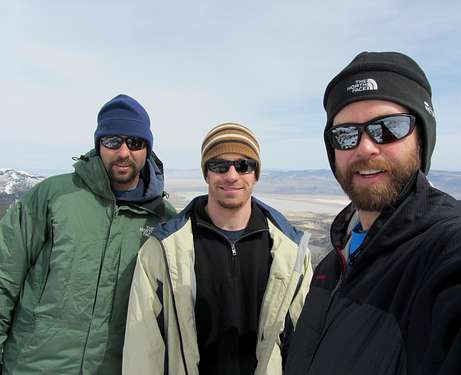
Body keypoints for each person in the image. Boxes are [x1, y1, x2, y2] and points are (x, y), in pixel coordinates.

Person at [285, 52, 461, 375]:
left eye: (389, 128)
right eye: (346, 134)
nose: (366, 147)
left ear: (422, 138)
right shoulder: (334, 264)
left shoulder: (451, 254)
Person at [0, 94, 176, 374]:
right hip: (32, 365)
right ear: (98, 144)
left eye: (135, 142)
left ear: (147, 149)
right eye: (112, 141)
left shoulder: (163, 219)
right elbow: (4, 276)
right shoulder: (54, 196)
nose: (123, 152)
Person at [123, 122, 313, 375]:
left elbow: (304, 343)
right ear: (206, 174)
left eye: (244, 165)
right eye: (219, 165)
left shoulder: (290, 253)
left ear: (256, 174)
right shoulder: (164, 249)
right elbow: (143, 347)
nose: (231, 175)